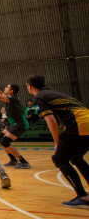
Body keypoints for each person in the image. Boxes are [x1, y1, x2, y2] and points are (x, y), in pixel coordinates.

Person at [26, 74, 89, 208]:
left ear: (30, 86)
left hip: (78, 124)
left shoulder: (39, 97)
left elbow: (52, 122)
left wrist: (56, 142)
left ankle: (83, 197)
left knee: (59, 159)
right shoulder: (52, 93)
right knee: (76, 158)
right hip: (86, 120)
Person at [0, 79, 31, 169]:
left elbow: (0, 97)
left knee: (5, 141)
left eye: (7, 87)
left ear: (11, 91)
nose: (5, 88)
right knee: (0, 138)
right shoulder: (11, 98)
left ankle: (23, 162)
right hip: (14, 124)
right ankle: (13, 159)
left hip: (20, 125)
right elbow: (2, 95)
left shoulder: (12, 98)